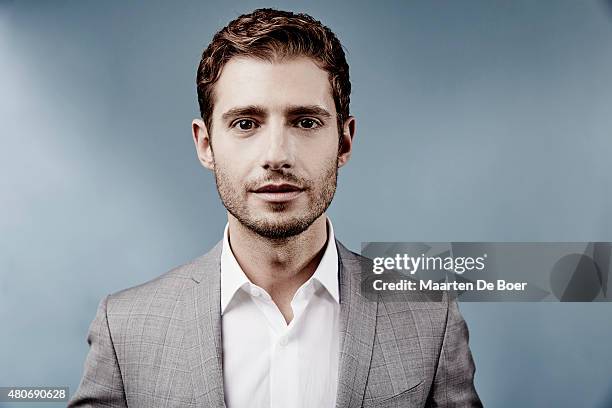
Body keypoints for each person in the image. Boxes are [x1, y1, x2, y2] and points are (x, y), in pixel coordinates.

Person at [69, 8, 482, 408]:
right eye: (246, 123)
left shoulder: (431, 320)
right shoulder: (124, 328)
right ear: (205, 145)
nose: (276, 155)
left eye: (305, 122)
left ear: (344, 141)